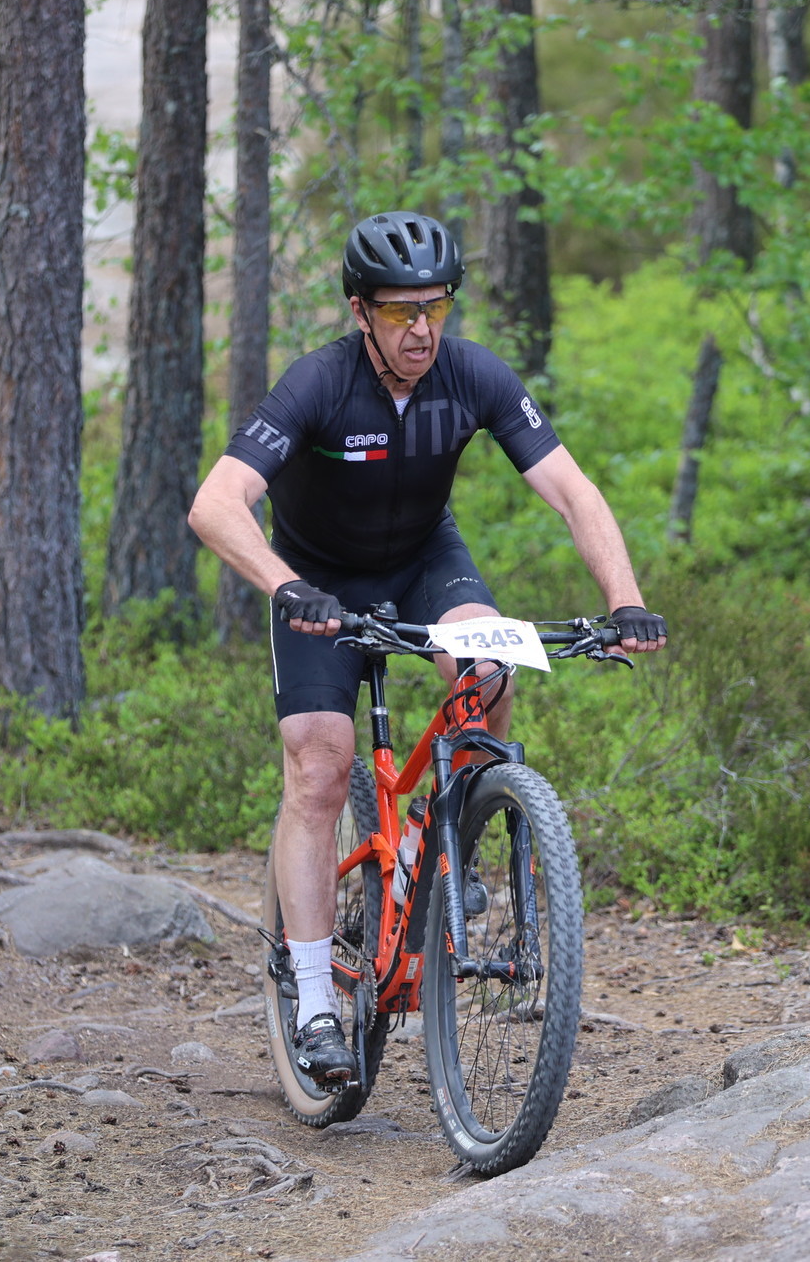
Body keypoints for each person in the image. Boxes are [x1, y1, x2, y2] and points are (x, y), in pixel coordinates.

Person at [187, 210, 667, 1086]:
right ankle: (314, 999)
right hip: (318, 579)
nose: (421, 329)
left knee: (490, 672)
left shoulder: (473, 375)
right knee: (321, 764)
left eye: (436, 308)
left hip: (422, 561)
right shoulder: (318, 383)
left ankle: (450, 845)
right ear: (359, 311)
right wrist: (286, 586)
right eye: (401, 311)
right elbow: (216, 503)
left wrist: (624, 599)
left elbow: (572, 490)